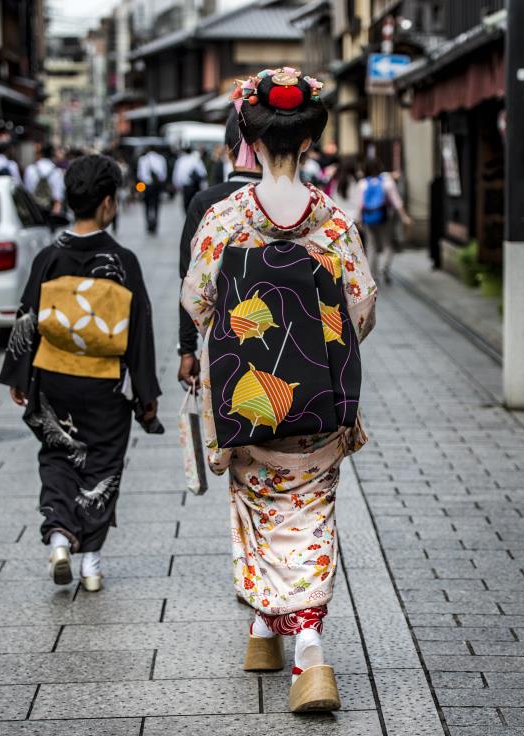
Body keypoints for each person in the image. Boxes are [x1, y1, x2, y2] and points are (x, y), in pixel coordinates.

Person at [180, 67, 376, 713]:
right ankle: (296, 643)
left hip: (245, 401)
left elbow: (198, 303)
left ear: (248, 135)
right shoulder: (334, 222)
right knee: (311, 517)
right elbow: (362, 308)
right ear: (311, 138)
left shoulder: (223, 219)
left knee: (257, 512)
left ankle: (280, 635)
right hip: (317, 403)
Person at [0, 154, 160, 593]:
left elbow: (29, 315)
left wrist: (19, 374)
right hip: (105, 382)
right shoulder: (122, 260)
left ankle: (58, 536)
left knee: (57, 455)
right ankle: (90, 563)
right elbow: (139, 330)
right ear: (108, 203)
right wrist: (146, 393)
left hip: (53, 377)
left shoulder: (50, 258)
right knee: (103, 462)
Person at [176, 109, 264, 385]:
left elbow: (190, 281)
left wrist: (188, 348)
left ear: (228, 151)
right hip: (280, 331)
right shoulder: (294, 201)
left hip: (222, 335)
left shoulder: (206, 203)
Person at [357, 156, 412, 284]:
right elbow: (396, 201)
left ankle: (373, 275)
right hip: (384, 218)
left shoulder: (363, 184)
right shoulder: (386, 182)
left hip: (368, 218)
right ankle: (384, 269)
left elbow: (360, 205)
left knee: (371, 245)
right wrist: (404, 216)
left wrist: (358, 219)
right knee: (387, 244)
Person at [24, 142, 66, 216]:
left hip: (32, 213)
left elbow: (27, 193)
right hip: (49, 212)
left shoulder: (30, 169)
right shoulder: (57, 172)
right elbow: (58, 201)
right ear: (53, 155)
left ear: (40, 154)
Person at [136, 145, 167, 233]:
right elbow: (163, 175)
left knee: (147, 206)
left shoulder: (142, 159)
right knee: (156, 205)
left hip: (146, 186)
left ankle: (148, 224)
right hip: (157, 186)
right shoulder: (161, 159)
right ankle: (155, 224)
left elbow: (140, 175)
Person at [172, 147, 207, 213]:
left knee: (186, 203)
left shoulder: (180, 160)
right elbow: (203, 172)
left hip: (186, 186)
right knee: (194, 203)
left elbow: (177, 174)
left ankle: (188, 217)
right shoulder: (196, 159)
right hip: (195, 186)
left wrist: (177, 185)